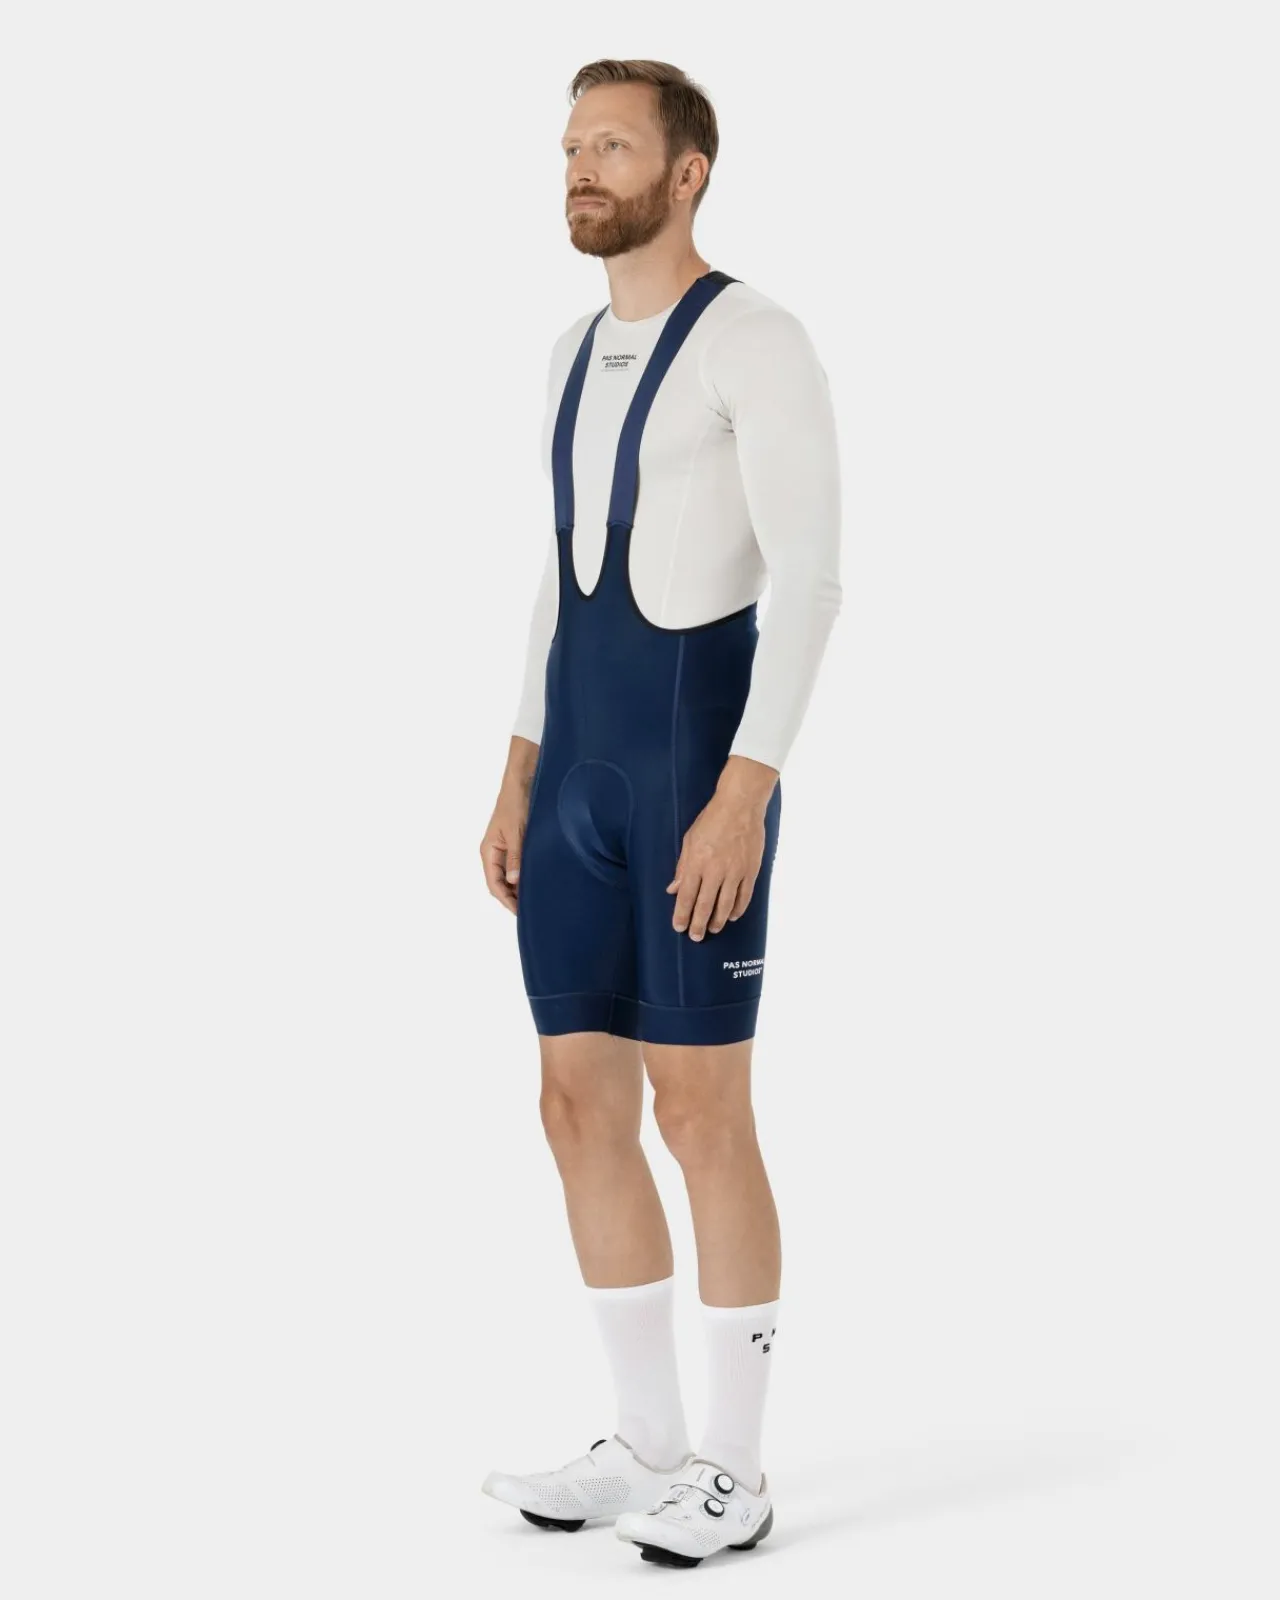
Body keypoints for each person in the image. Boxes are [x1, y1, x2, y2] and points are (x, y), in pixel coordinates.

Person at [478, 57, 842, 1570]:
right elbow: (556, 574)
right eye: (573, 145)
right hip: (575, 781)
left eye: (613, 145)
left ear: (687, 173)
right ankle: (643, 1445)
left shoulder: (758, 340)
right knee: (575, 1102)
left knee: (702, 1113)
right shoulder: (573, 349)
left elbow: (810, 580)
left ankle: (735, 1473)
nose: (581, 167)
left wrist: (747, 790)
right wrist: (518, 767)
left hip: (696, 775)